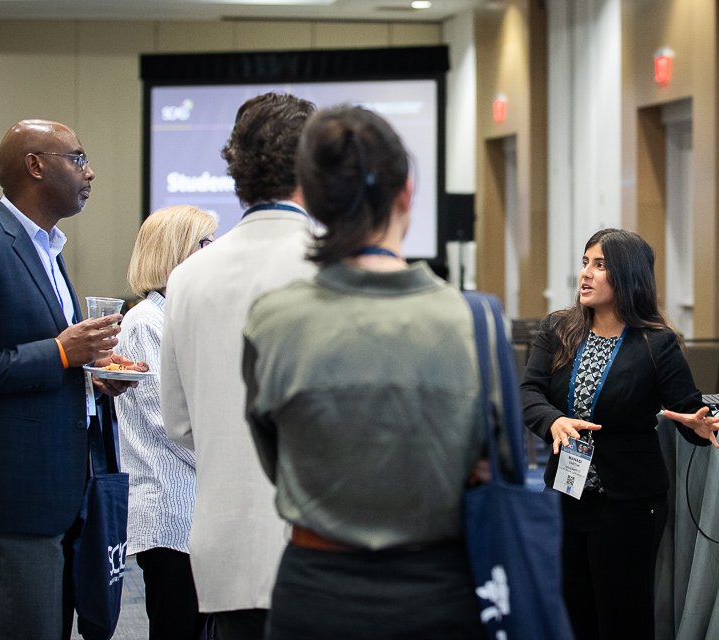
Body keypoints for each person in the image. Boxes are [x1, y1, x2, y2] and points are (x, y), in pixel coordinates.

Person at [242, 105, 486, 640]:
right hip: (439, 592)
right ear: (407, 194)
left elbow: (274, 455)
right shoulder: (472, 321)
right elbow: (487, 467)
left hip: (313, 592)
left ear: (313, 196)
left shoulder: (273, 320)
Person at [0, 119, 144, 638]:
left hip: (64, 492)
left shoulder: (47, 248)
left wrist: (91, 377)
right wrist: (61, 354)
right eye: (77, 159)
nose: (91, 172)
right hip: (14, 497)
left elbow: (45, 361)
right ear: (35, 166)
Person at [160, 92, 318, 639]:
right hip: (322, 545)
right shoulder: (337, 265)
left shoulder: (187, 277)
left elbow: (178, 423)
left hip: (223, 544)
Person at [520, 228, 719, 640]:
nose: (586, 274)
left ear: (628, 277)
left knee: (622, 621)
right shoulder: (559, 329)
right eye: (584, 263)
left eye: (600, 265)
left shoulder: (656, 343)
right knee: (570, 616)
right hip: (566, 494)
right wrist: (553, 421)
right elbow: (529, 391)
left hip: (629, 505)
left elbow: (692, 415)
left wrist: (699, 426)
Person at [114, 205, 217, 640]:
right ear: (176, 252)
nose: (215, 252)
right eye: (204, 243)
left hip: (196, 510)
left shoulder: (179, 316)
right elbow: (171, 423)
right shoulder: (145, 322)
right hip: (171, 514)